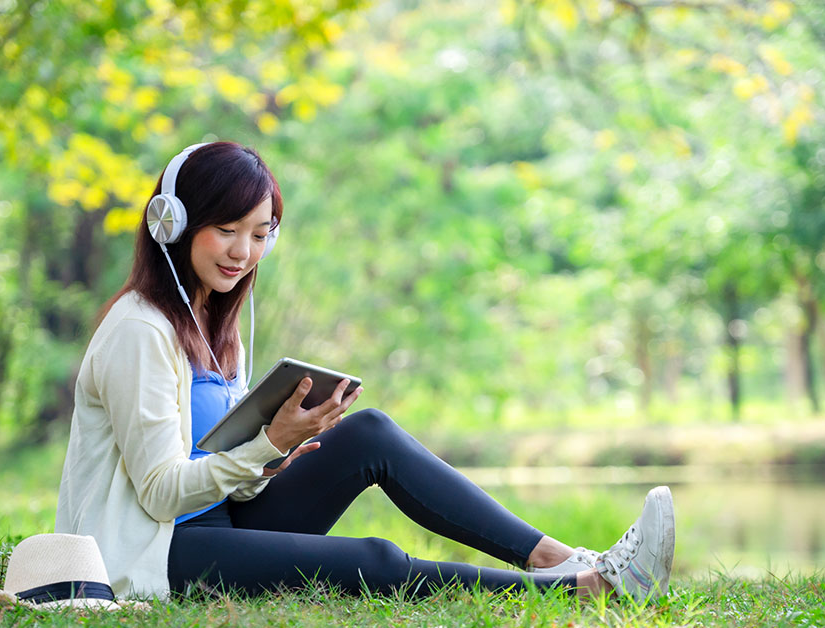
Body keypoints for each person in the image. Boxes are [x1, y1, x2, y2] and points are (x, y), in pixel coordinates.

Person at [55, 141, 676, 602]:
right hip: (151, 552)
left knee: (369, 432)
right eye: (226, 230)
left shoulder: (217, 327)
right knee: (373, 559)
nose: (244, 253)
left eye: (260, 233)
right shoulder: (141, 330)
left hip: (218, 520)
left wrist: (277, 452)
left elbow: (227, 479)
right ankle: (585, 589)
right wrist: (267, 445)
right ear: (174, 221)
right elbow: (162, 493)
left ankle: (560, 558)